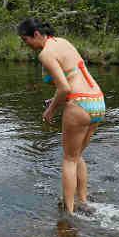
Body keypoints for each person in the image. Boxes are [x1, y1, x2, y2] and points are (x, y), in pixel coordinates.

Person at [19, 18, 105, 215]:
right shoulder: (63, 42)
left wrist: (50, 110)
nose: (26, 45)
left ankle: (69, 211)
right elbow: (70, 78)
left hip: (79, 103)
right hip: (97, 100)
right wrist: (55, 101)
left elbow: (65, 88)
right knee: (77, 156)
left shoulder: (45, 54)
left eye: (25, 40)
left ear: (36, 34)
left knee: (69, 159)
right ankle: (83, 200)